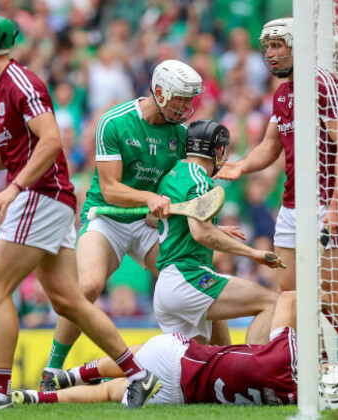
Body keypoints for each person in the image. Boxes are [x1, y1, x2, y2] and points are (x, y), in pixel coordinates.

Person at [0, 14, 160, 409]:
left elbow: (51, 141)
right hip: (48, 197)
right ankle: (139, 374)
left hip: (40, 194)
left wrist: (14, 190)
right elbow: (11, 153)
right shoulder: (0, 90)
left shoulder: (19, 82)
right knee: (69, 301)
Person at [214, 17, 338, 394]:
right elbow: (270, 145)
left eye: (278, 45)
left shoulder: (321, 82)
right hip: (292, 207)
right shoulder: (281, 94)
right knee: (292, 299)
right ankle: (322, 377)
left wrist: (337, 204)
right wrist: (242, 165)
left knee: (329, 295)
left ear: (297, 45)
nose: (270, 54)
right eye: (267, 47)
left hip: (322, 205)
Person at [39, 60, 238, 390]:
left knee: (200, 277)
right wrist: (147, 197)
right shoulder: (115, 122)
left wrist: (210, 223)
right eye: (181, 99)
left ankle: (225, 363)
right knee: (87, 287)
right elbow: (110, 187)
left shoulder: (180, 134)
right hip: (107, 218)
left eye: (192, 100)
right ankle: (52, 372)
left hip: (149, 223)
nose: (189, 108)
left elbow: (183, 187)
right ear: (159, 92)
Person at [10, 291, 338, 407]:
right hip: (186, 395)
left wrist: (327, 301)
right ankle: (39, 399)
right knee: (110, 393)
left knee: (137, 357)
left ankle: (73, 373)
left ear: (323, 372)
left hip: (180, 358)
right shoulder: (292, 400)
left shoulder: (288, 355)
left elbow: (287, 298)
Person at [152, 119, 279, 344]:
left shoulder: (173, 174)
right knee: (272, 302)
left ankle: (86, 374)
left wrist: (215, 228)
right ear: (218, 150)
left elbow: (156, 219)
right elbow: (201, 234)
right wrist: (252, 253)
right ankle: (255, 374)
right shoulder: (201, 180)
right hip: (188, 278)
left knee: (201, 370)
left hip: (167, 285)